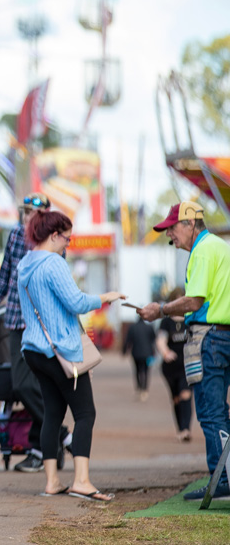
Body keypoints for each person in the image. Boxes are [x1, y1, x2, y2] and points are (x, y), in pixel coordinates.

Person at [17, 208, 124, 502]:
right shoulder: (54, 264)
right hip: (61, 351)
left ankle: (52, 481)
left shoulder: (24, 264)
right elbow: (76, 302)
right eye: (67, 237)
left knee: (52, 413)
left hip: (33, 350)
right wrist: (106, 297)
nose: (68, 243)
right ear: (54, 235)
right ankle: (82, 480)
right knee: (85, 413)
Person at [0, 192, 70, 473]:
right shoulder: (15, 236)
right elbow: (3, 280)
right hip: (16, 321)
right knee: (21, 384)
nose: (27, 218)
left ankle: (40, 449)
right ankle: (63, 435)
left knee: (46, 386)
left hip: (46, 324)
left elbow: (60, 282)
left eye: (33, 213)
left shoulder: (55, 240)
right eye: (24, 212)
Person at [139, 201, 230, 501]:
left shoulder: (203, 250)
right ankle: (223, 477)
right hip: (223, 335)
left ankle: (222, 480)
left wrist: (161, 309)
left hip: (212, 337)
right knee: (215, 410)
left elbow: (194, 301)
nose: (170, 236)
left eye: (172, 228)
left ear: (191, 223)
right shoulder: (219, 246)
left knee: (210, 410)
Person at [155, 287, 192, 442]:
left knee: (186, 394)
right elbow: (160, 340)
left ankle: (186, 429)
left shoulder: (191, 320)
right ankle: (180, 428)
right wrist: (165, 353)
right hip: (170, 367)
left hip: (187, 363)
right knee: (176, 398)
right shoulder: (166, 322)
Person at [122, 315, 156, 402]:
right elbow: (154, 340)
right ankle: (145, 389)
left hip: (136, 353)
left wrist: (124, 351)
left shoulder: (132, 327)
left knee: (137, 370)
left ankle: (139, 387)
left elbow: (128, 340)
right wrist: (154, 352)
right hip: (148, 353)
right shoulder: (149, 327)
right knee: (146, 371)